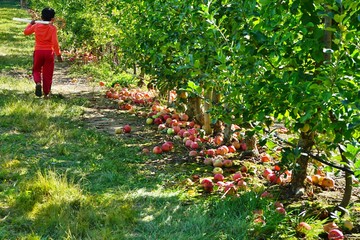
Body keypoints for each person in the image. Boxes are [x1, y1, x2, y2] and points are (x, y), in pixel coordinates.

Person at [24, 7, 63, 98]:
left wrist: (30, 24)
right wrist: (58, 54)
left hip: (38, 52)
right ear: (53, 19)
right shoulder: (53, 28)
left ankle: (38, 83)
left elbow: (26, 32)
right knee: (48, 73)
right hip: (49, 53)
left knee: (36, 69)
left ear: (41, 17)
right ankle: (46, 93)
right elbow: (55, 42)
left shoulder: (36, 26)